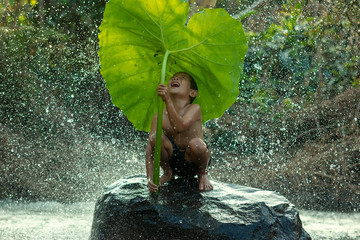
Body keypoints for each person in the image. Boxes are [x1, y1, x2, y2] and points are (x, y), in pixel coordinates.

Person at [145, 72, 213, 192]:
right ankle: (168, 173)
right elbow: (150, 150)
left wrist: (167, 100)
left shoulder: (194, 108)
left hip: (194, 160)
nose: (175, 78)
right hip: (172, 161)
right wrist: (150, 178)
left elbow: (180, 127)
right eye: (173, 77)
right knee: (155, 138)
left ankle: (203, 174)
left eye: (183, 78)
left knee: (197, 144)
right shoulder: (159, 116)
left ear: (193, 93)